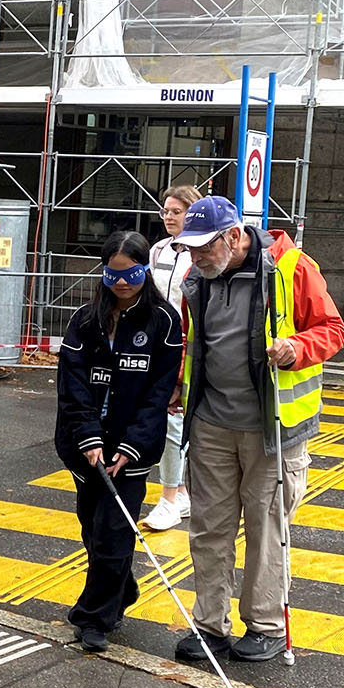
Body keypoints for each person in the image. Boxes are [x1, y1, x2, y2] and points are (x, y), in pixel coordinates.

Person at [169, 196, 344, 663]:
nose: (195, 257)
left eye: (202, 248)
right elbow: (194, 342)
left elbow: (333, 329)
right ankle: (210, 626)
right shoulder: (198, 277)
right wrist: (176, 386)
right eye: (188, 249)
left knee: (267, 529)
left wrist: (296, 347)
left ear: (233, 237)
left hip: (273, 428)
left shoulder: (292, 267)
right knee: (209, 527)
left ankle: (265, 626)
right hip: (210, 422)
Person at [54, 231, 184, 652]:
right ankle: (121, 588)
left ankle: (94, 619)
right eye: (113, 274)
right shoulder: (84, 321)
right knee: (94, 530)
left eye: (132, 274)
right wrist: (89, 438)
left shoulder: (165, 323)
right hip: (84, 447)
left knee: (114, 533)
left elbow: (158, 394)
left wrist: (130, 447)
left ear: (146, 271)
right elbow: (72, 385)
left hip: (132, 452)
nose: (123, 282)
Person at [143, 182, 199, 530]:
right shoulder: (159, 249)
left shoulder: (200, 253)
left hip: (188, 346)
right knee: (170, 421)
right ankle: (176, 493)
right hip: (158, 343)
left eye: (176, 211)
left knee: (177, 422)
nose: (168, 217)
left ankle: (170, 498)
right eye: (165, 211)